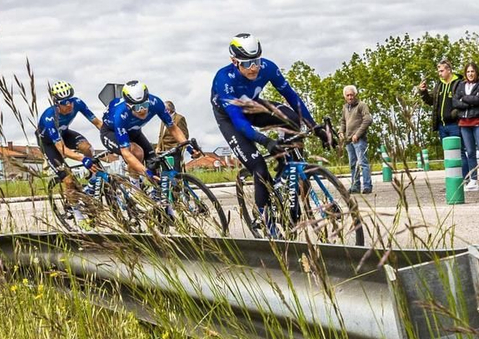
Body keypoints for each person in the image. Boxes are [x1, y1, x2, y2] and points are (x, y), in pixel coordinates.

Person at [211, 34, 323, 225]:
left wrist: (314, 126)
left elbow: (291, 97)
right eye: (246, 64)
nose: (253, 67)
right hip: (231, 118)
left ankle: (287, 170)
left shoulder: (268, 67)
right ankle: (262, 216)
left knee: (292, 118)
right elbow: (239, 121)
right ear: (234, 61)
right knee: (259, 167)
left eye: (256, 61)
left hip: (253, 106)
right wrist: (266, 141)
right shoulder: (224, 80)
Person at [104, 80, 187, 176]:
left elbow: (173, 128)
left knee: (153, 163)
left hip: (134, 131)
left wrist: (188, 147)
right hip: (112, 132)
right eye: (137, 107)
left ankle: (155, 189)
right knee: (137, 152)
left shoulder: (155, 102)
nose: (142, 110)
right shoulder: (121, 115)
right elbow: (126, 153)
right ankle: (134, 188)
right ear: (128, 106)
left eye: (145, 105)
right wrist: (145, 171)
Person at [37, 81, 104, 197]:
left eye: (70, 100)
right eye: (64, 102)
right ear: (57, 103)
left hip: (64, 133)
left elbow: (98, 123)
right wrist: (82, 159)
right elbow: (62, 149)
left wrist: (113, 137)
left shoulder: (77, 103)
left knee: (86, 147)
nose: (69, 105)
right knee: (69, 181)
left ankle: (92, 181)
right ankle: (74, 212)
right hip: (49, 143)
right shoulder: (49, 117)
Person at [453, 63, 479, 191]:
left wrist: (464, 98)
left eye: (472, 71)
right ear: (465, 73)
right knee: (470, 152)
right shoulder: (460, 85)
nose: (470, 74)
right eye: (468, 71)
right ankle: (473, 180)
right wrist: (468, 103)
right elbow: (455, 101)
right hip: (464, 122)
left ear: (476, 72)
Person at [420, 60, 459, 155]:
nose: (439, 74)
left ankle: (466, 171)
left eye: (441, 71)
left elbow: (463, 102)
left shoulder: (458, 84)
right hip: (442, 127)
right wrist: (423, 91)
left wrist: (454, 114)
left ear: (449, 70)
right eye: (438, 71)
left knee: (459, 152)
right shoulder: (439, 85)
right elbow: (430, 101)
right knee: (447, 154)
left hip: (455, 125)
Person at [341, 85, 373, 194]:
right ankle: (355, 186)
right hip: (348, 140)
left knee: (363, 163)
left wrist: (358, 134)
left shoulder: (362, 105)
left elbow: (368, 120)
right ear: (345, 96)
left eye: (352, 95)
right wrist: (341, 132)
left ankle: (367, 186)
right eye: (348, 95)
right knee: (353, 165)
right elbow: (343, 122)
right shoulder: (345, 107)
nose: (350, 97)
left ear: (355, 95)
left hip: (359, 140)